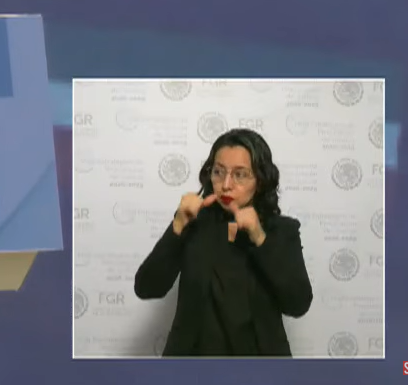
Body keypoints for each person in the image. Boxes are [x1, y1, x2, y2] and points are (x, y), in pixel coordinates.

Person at [132, 128, 313, 356]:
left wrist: (259, 237)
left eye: (240, 175)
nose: (226, 184)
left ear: (260, 180)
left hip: (259, 368)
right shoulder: (194, 223)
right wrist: (178, 225)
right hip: (193, 367)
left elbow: (298, 304)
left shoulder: (281, 231)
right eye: (218, 172)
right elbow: (146, 288)